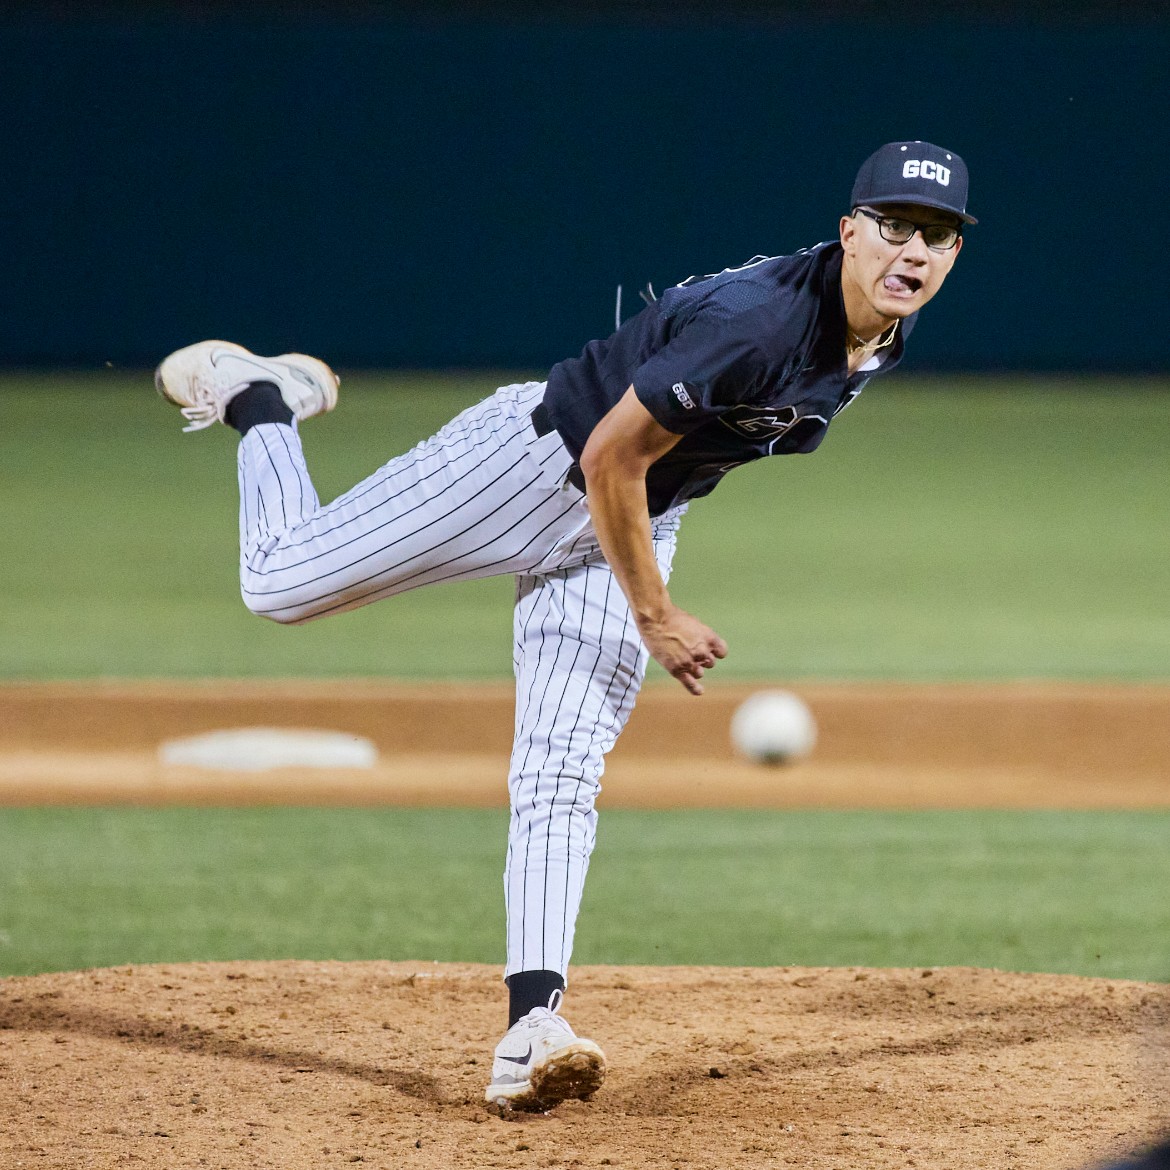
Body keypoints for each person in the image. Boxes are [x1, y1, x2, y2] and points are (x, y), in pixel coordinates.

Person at [155, 139, 974, 1111]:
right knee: (279, 585)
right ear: (849, 231)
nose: (912, 251)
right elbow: (609, 458)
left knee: (561, 769)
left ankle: (529, 1029)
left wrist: (639, 571)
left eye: (937, 235)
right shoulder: (757, 326)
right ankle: (264, 398)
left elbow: (654, 472)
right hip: (533, 465)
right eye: (893, 226)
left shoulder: (879, 336)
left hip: (631, 518)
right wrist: (655, 612)